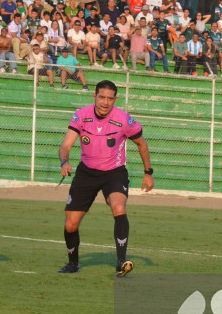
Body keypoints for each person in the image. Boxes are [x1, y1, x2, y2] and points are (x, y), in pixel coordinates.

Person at [57, 80, 153, 276]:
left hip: (114, 172)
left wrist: (148, 172)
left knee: (119, 207)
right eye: (102, 97)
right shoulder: (81, 115)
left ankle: (120, 262)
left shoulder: (124, 120)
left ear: (115, 100)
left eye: (110, 99)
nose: (105, 102)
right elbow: (65, 145)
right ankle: (73, 264)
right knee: (70, 224)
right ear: (95, 97)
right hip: (86, 173)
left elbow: (142, 144)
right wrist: (64, 162)